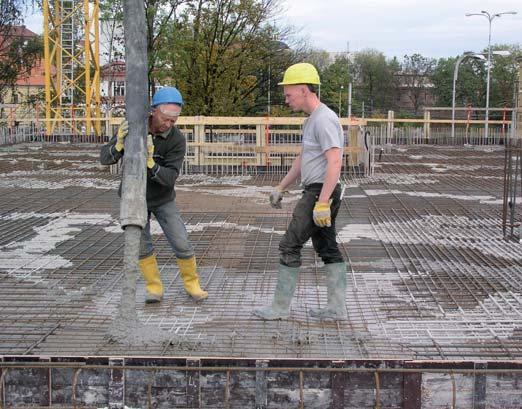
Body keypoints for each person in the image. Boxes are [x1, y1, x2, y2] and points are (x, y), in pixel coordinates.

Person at [253, 63, 347, 321]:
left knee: (289, 245)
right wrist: (281, 186)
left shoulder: (324, 119)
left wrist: (323, 202)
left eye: (289, 94)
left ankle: (279, 308)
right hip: (319, 191)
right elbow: (303, 159)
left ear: (304, 90)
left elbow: (335, 162)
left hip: (320, 193)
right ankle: (336, 309)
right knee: (327, 247)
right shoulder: (311, 121)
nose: (286, 100)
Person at [100, 86, 208, 304]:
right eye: (165, 118)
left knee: (181, 241)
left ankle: (192, 284)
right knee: (142, 245)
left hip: (162, 198)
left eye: (173, 121)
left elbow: (169, 178)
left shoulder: (176, 140)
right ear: (153, 111)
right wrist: (119, 145)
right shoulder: (134, 128)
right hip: (133, 198)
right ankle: (154, 288)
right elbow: (104, 159)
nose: (168, 124)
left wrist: (151, 164)